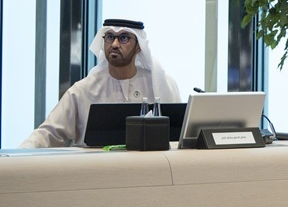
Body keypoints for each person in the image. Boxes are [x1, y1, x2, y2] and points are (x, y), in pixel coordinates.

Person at [20, 18, 182, 148]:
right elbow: (49, 133)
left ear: (139, 47)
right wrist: (18, 154)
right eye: (110, 37)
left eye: (123, 38)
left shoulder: (161, 84)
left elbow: (179, 134)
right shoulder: (83, 90)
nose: (115, 44)